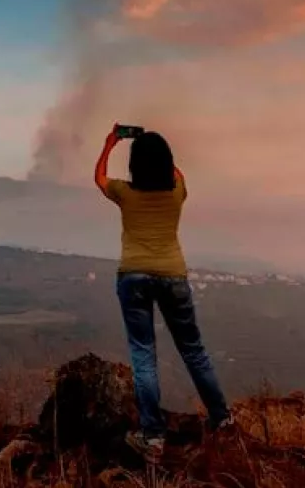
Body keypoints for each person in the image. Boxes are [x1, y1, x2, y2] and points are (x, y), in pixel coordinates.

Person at [94, 124, 233, 460]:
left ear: (135, 166)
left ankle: (153, 437)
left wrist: (110, 142)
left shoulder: (125, 193)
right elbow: (175, 171)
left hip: (133, 276)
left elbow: (98, 177)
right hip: (173, 275)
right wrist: (160, 150)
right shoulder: (177, 191)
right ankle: (223, 419)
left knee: (144, 355)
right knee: (194, 351)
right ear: (168, 162)